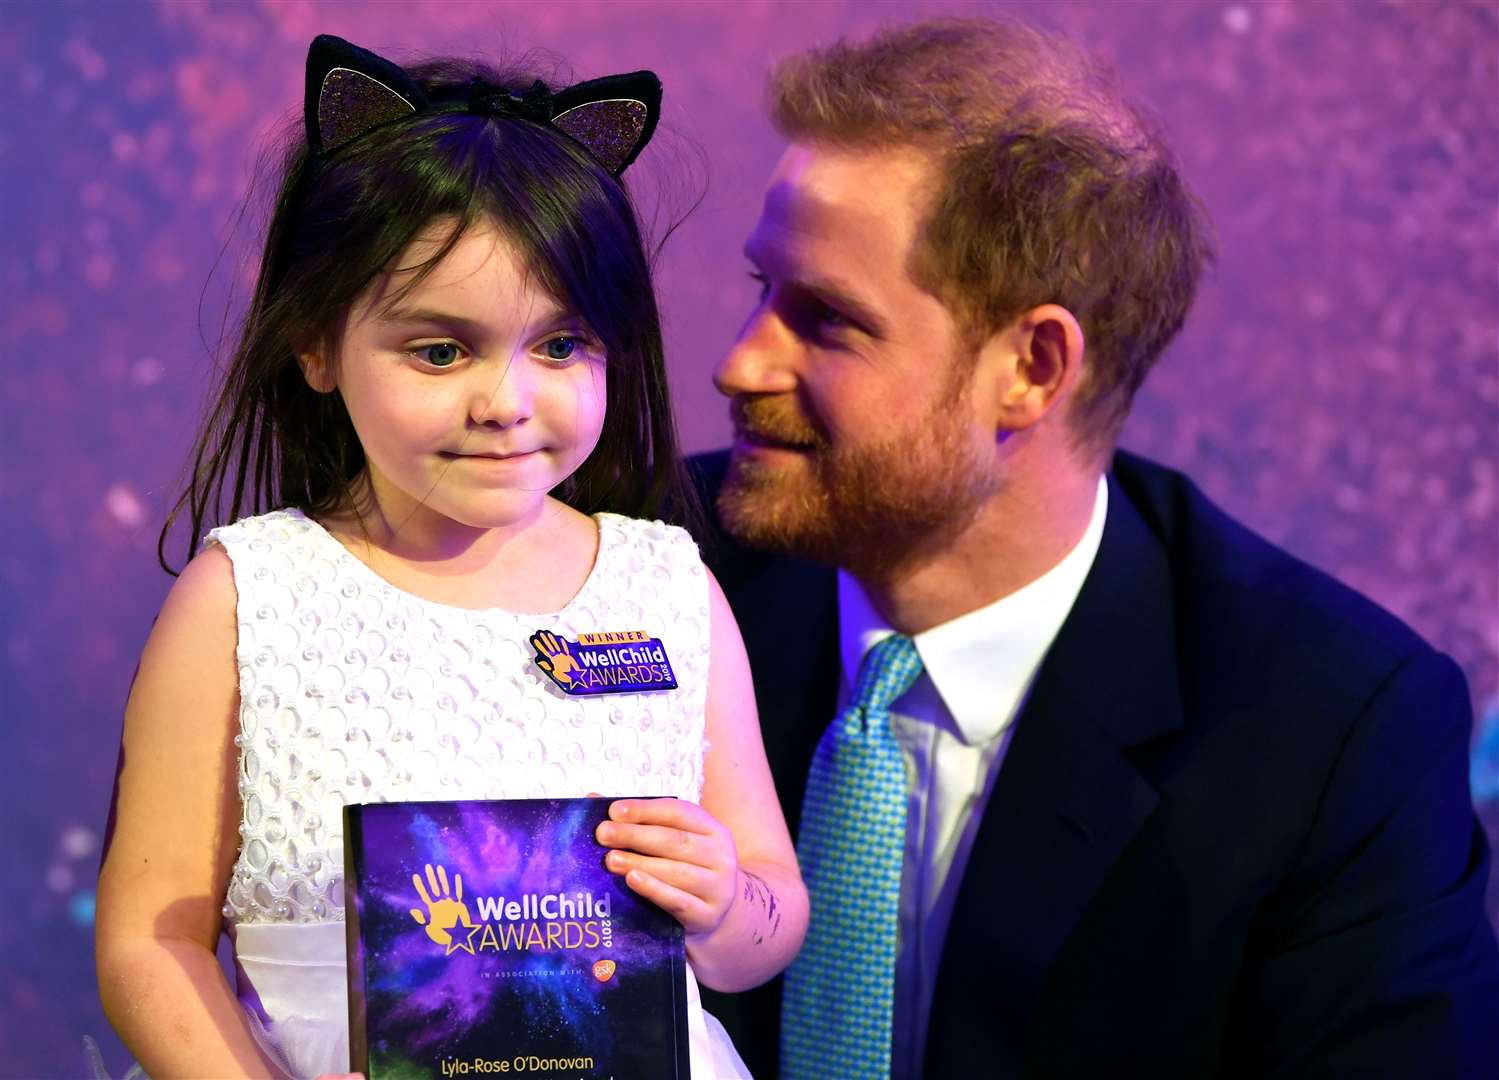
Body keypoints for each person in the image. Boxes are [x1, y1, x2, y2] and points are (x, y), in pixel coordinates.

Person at [692, 16, 1499, 1079]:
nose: (738, 365)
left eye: (827, 320)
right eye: (762, 292)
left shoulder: (1332, 738)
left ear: (1029, 367)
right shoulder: (640, 567)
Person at [94, 34, 806, 1080]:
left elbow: (766, 920)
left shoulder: (665, 585)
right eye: (441, 349)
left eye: (559, 346)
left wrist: (721, 900)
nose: (506, 402)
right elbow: (149, 940)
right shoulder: (250, 595)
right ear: (317, 346)